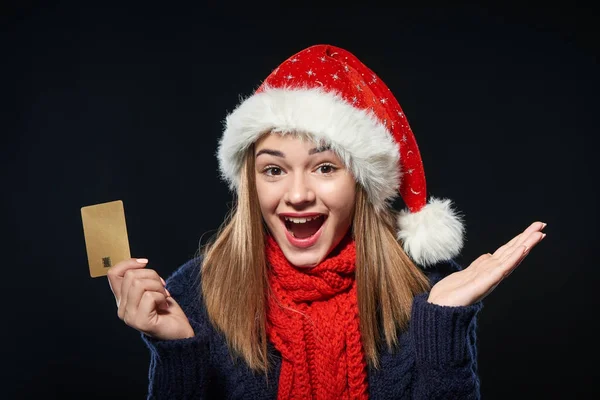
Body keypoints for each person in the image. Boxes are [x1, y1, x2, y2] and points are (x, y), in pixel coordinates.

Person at [107, 44, 546, 399]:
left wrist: (442, 325)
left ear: (361, 182)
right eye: (274, 170)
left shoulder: (427, 291)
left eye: (325, 168)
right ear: (250, 181)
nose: (297, 195)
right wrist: (178, 352)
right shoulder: (193, 296)